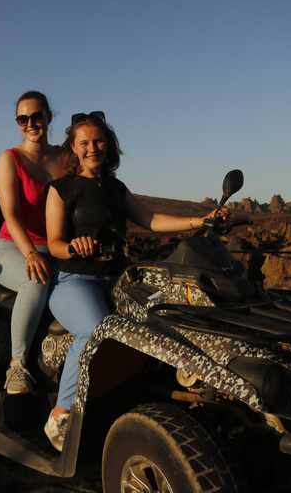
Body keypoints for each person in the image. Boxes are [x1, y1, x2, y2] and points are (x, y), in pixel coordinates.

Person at [43, 111, 229, 451]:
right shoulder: (62, 188)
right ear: (73, 147)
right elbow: (53, 241)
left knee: (166, 317)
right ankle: (60, 412)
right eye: (83, 143)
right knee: (96, 329)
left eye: (98, 140)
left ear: (108, 144)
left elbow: (152, 219)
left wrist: (199, 221)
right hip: (74, 280)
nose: (92, 148)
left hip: (119, 279)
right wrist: (73, 245)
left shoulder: (115, 187)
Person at [0, 91, 61, 395]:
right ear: (18, 122)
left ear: (49, 116)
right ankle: (17, 365)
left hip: (56, 247)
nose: (31, 123)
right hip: (14, 248)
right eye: (23, 118)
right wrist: (31, 253)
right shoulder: (10, 159)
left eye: (36, 116)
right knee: (36, 280)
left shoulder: (64, 156)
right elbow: (11, 214)